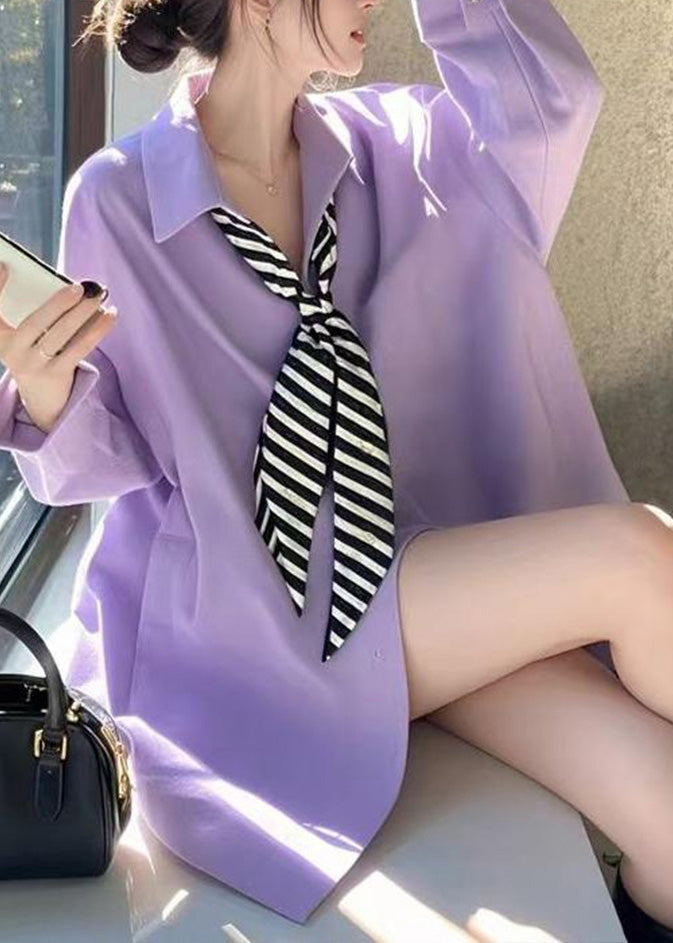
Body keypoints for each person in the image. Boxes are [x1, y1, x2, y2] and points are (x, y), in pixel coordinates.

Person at [0, 0, 670, 937]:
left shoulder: (398, 145)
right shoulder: (119, 197)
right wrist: (43, 394)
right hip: (251, 618)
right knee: (639, 550)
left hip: (414, 592)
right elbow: (98, 466)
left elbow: (550, 102)